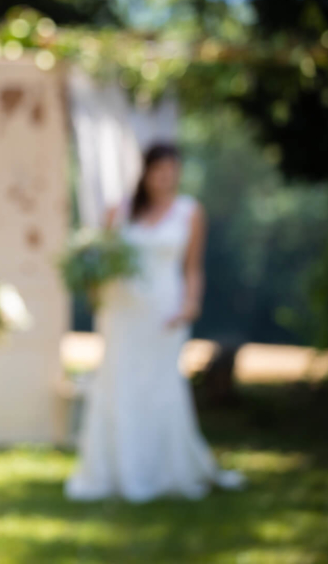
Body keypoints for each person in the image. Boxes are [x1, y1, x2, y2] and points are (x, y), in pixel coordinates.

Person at [65, 142, 244, 502]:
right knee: (119, 385)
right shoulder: (120, 212)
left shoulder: (190, 212)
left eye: (172, 170)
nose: (167, 177)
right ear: (146, 173)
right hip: (123, 311)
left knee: (161, 388)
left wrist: (190, 303)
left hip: (165, 311)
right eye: (159, 170)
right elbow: (104, 260)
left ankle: (163, 470)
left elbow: (193, 268)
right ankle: (116, 470)